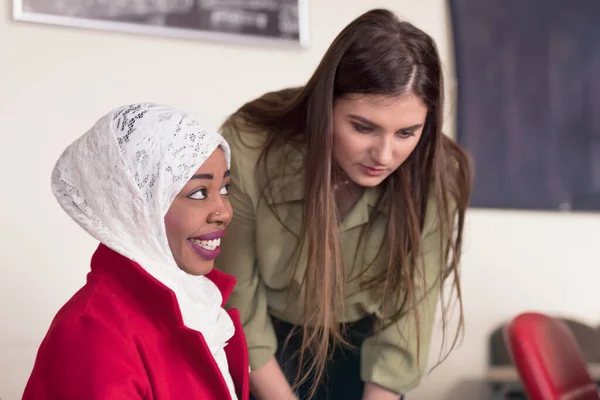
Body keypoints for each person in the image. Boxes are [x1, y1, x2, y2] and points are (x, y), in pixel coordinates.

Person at [215, 8, 473, 400]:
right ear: (325, 106)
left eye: (407, 132)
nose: (384, 155)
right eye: (364, 127)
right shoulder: (251, 147)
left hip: (361, 347)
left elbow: (405, 325)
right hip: (258, 339)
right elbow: (237, 302)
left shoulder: (439, 175)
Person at [23, 103, 249, 400]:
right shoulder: (93, 334)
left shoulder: (200, 306)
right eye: (198, 193)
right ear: (138, 205)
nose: (223, 212)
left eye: (224, 189)